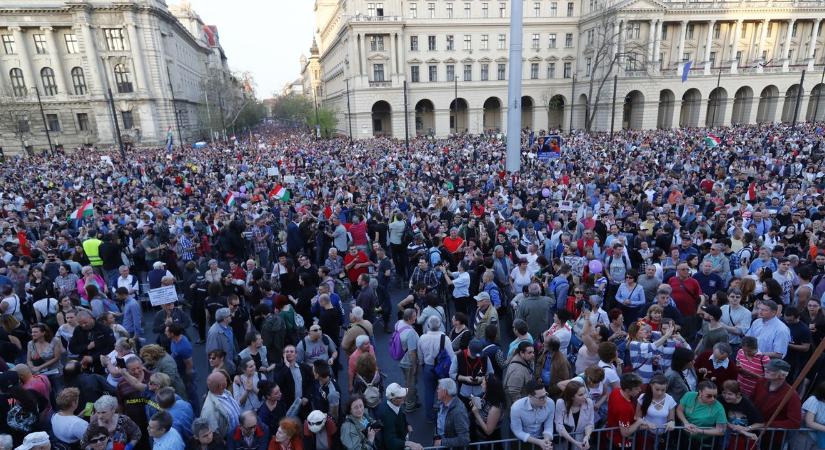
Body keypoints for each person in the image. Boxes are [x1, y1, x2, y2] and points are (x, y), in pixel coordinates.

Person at [750, 359, 801, 448]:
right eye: (766, 368)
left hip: (772, 437)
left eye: (772, 370)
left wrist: (767, 424)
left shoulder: (792, 395)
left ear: (782, 375)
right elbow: (751, 401)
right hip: (752, 430)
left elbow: (794, 422)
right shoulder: (761, 382)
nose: (766, 370)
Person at [373, 383, 424, 450]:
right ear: (394, 399)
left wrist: (407, 424)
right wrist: (409, 444)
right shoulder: (387, 416)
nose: (404, 397)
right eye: (401, 396)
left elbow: (401, 414)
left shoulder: (394, 403)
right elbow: (391, 442)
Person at [635, 374, 676, 450]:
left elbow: (671, 418)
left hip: (662, 436)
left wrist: (671, 422)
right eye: (657, 389)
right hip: (646, 434)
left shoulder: (670, 399)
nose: (660, 393)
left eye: (663, 390)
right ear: (651, 386)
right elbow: (637, 417)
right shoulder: (643, 397)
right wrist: (647, 424)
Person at [510, 380, 555, 450]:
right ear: (530, 396)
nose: (545, 399)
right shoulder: (517, 407)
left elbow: (548, 425)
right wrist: (539, 442)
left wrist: (547, 440)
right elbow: (517, 431)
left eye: (546, 395)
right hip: (521, 441)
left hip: (541, 439)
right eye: (541, 397)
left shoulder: (550, 403)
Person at [718, 380, 762, 450]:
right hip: (726, 438)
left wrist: (747, 428)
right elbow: (719, 417)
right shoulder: (720, 399)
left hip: (744, 441)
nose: (726, 396)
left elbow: (760, 423)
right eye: (724, 393)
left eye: (730, 394)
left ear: (738, 394)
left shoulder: (747, 404)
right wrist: (741, 430)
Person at [606, 373, 646, 449]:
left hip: (611, 436)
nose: (640, 390)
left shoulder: (616, 391)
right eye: (637, 388)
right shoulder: (624, 408)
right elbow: (625, 432)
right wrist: (639, 422)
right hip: (621, 443)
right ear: (627, 390)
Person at [554, 380, 595, 450]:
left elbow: (590, 423)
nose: (585, 396)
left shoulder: (589, 402)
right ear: (572, 397)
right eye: (580, 395)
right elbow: (559, 426)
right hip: (564, 441)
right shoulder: (560, 403)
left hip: (580, 441)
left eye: (585, 393)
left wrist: (587, 436)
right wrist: (575, 442)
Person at [201, 371, 242, 439]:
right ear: (220, 386)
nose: (227, 380)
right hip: (231, 441)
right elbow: (215, 435)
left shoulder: (225, 392)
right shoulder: (209, 411)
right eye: (225, 380)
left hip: (240, 434)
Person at [468, 373, 505, 441]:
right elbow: (483, 407)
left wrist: (476, 414)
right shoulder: (487, 395)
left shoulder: (495, 408)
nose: (481, 384)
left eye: (483, 383)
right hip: (477, 434)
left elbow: (489, 431)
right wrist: (475, 402)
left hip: (487, 440)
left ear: (490, 387)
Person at [206, 307, 237, 375]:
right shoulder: (214, 333)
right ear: (225, 319)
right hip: (223, 369)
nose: (232, 316)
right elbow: (212, 353)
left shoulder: (228, 327)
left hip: (230, 363)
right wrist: (218, 370)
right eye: (230, 315)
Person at [505, 341, 536, 406]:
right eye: (529, 353)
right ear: (521, 353)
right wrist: (521, 408)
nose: (532, 355)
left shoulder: (527, 361)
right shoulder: (517, 371)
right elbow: (514, 393)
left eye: (533, 352)